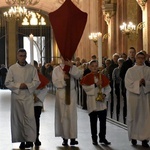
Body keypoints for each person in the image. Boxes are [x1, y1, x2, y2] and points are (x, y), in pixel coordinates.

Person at [5, 48, 40, 149]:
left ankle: (29, 139)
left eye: (24, 56)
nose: (22, 58)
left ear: (26, 56)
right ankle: (21, 141)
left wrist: (28, 86)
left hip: (28, 98)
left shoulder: (31, 68)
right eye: (20, 56)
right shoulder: (12, 69)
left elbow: (36, 81)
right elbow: (7, 82)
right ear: (17, 56)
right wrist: (19, 85)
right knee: (19, 119)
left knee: (29, 119)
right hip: (17, 97)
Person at [52, 56, 83, 146]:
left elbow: (78, 75)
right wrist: (63, 79)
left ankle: (73, 137)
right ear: (61, 57)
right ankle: (64, 137)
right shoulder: (57, 69)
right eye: (63, 56)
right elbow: (55, 81)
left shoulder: (72, 67)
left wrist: (72, 67)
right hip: (61, 92)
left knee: (72, 115)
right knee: (63, 115)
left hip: (71, 93)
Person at [80, 60, 111, 146]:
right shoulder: (87, 77)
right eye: (92, 66)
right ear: (89, 67)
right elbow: (85, 88)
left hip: (101, 103)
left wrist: (104, 94)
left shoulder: (102, 76)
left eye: (96, 66)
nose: (94, 67)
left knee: (103, 122)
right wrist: (95, 85)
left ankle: (102, 138)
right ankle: (94, 139)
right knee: (93, 122)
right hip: (92, 102)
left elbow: (108, 88)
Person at [125, 51, 150, 148]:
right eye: (138, 57)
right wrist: (138, 83)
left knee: (145, 117)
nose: (140, 59)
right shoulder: (130, 71)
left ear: (145, 59)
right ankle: (134, 136)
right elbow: (127, 84)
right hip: (133, 97)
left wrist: (146, 83)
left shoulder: (148, 70)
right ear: (136, 58)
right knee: (134, 116)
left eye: (142, 58)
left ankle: (145, 139)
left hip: (145, 97)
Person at [33, 60, 49, 147]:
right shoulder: (26, 77)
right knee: (28, 121)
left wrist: (37, 97)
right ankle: (28, 138)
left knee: (36, 119)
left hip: (37, 103)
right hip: (28, 102)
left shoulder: (40, 77)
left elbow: (45, 89)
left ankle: (36, 138)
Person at [120, 47, 136, 124]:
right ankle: (126, 118)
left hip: (137, 86)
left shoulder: (138, 62)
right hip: (127, 86)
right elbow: (121, 74)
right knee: (127, 103)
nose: (132, 54)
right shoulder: (126, 63)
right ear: (128, 54)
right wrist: (129, 80)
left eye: (133, 52)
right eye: (130, 52)